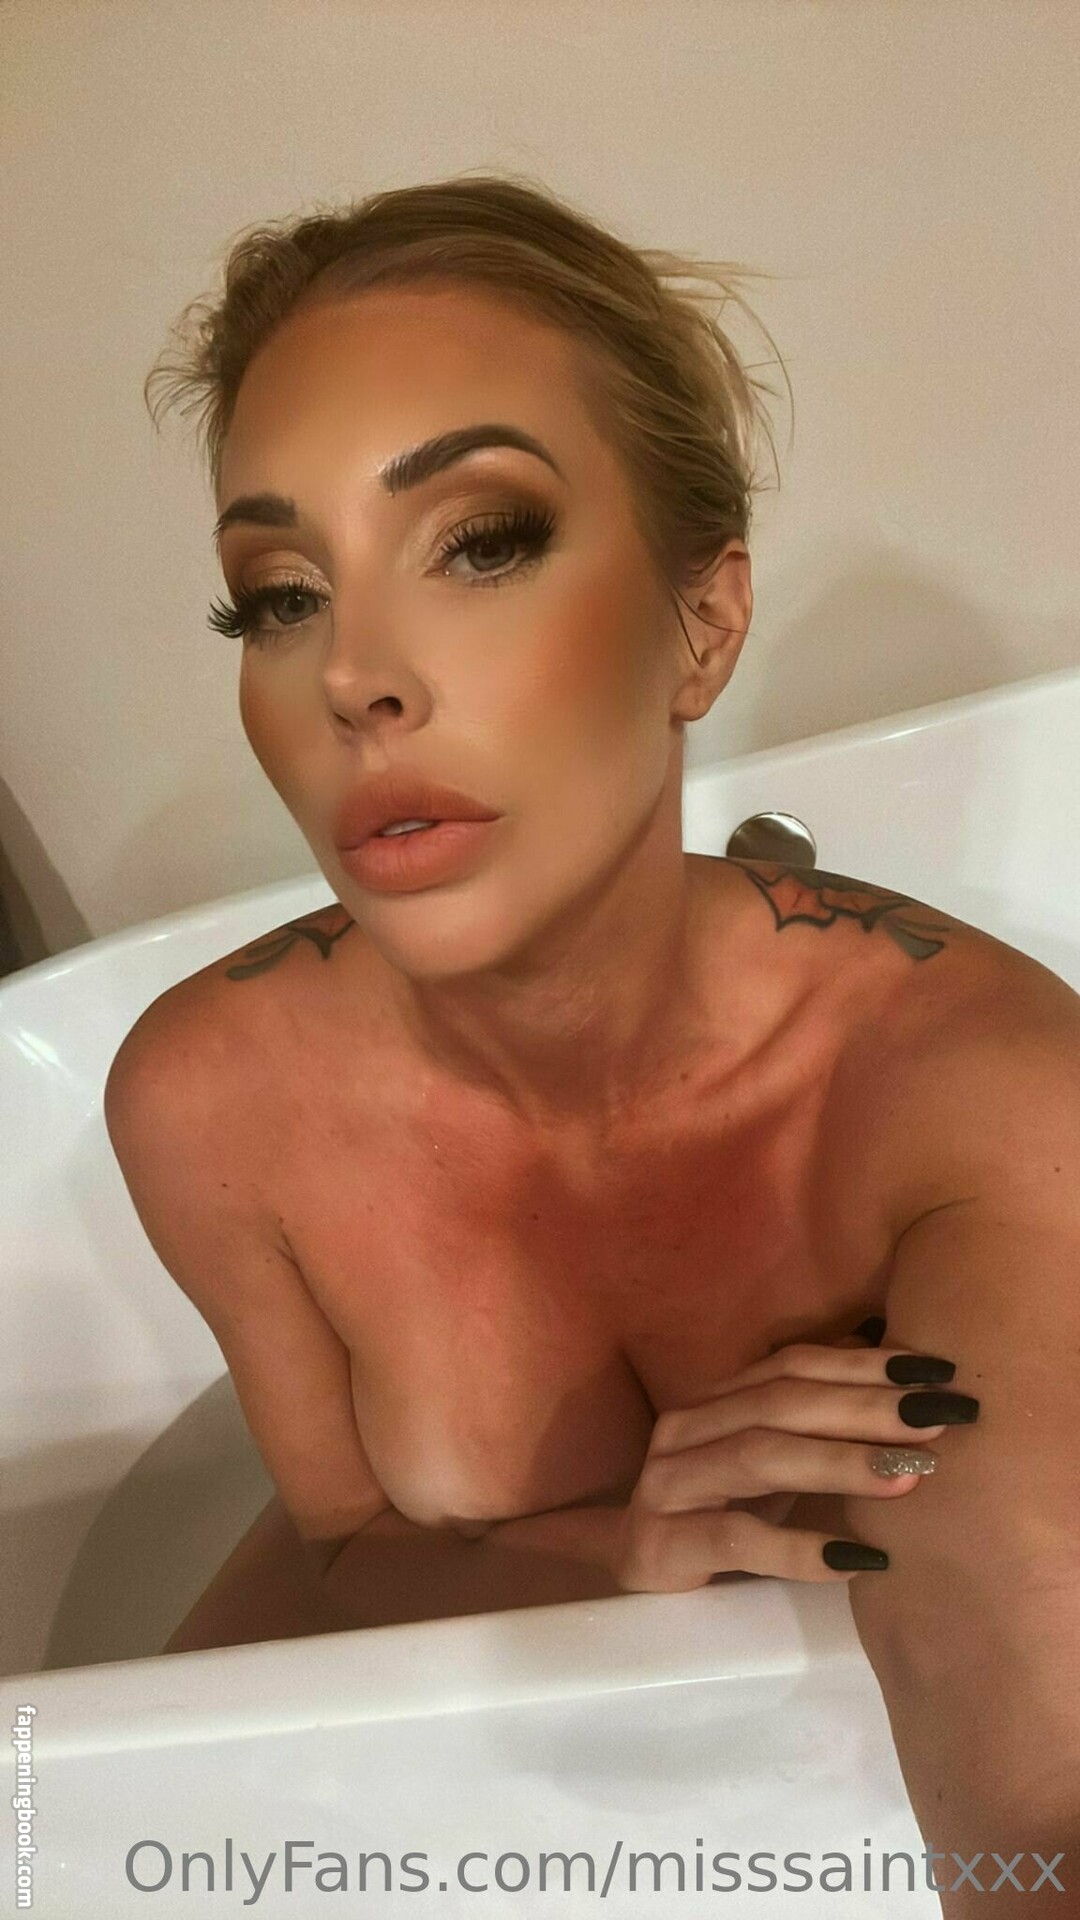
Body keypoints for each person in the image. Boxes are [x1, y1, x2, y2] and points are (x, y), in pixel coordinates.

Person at [105, 174, 1079, 1909]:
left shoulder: (984, 1100)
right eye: (279, 594)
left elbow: (1043, 1781)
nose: (353, 678)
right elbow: (346, 1545)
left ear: (702, 625)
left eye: (480, 541)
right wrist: (629, 1556)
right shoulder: (208, 1098)